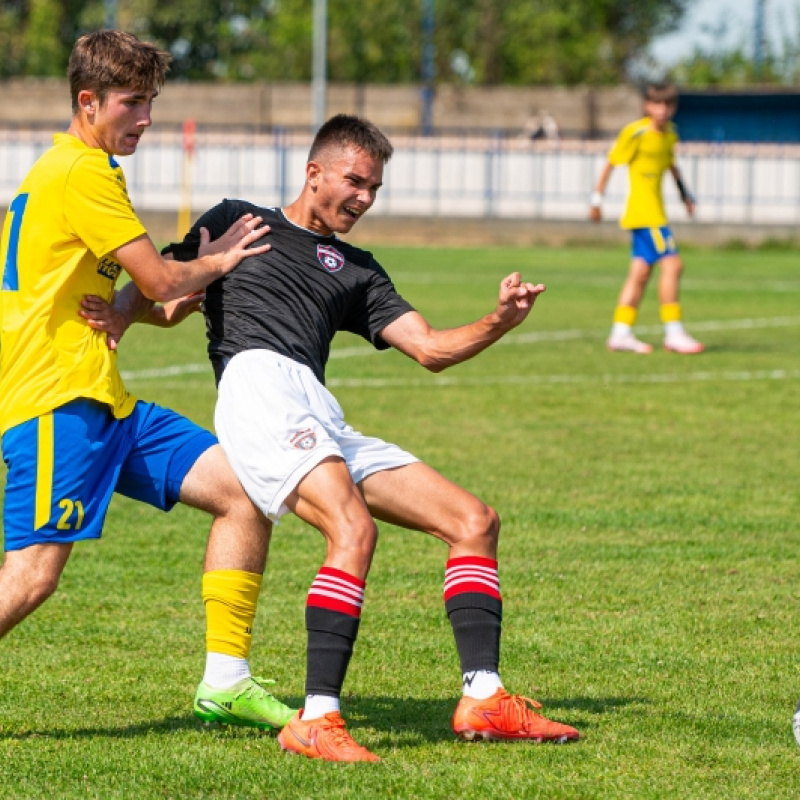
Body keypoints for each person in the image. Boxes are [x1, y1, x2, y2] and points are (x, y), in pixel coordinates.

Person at [153, 114, 581, 762]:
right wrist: (159, 291)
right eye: (355, 181)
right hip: (257, 386)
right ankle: (317, 719)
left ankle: (484, 698)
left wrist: (499, 321)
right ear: (313, 171)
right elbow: (162, 294)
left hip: (318, 408)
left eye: (374, 187)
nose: (364, 197)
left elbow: (431, 348)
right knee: (352, 530)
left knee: (473, 520)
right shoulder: (239, 219)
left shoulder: (358, 269)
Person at [0, 30, 297, 733]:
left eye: (152, 103)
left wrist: (160, 298)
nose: (146, 119)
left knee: (244, 492)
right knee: (34, 574)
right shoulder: (81, 172)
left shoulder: (83, 169)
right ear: (88, 101)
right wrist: (217, 261)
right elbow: (164, 280)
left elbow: (154, 302)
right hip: (55, 403)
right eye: (133, 102)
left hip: (104, 397)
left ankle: (225, 683)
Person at [590, 82, 703, 355]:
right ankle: (674, 332)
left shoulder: (670, 136)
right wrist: (596, 200)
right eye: (657, 104)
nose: (662, 110)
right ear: (647, 106)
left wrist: (685, 195)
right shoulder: (635, 132)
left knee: (640, 274)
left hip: (654, 213)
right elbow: (611, 162)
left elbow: (671, 166)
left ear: (673, 108)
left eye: (667, 105)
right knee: (673, 266)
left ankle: (620, 333)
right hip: (646, 214)